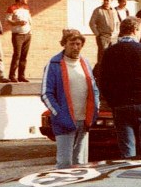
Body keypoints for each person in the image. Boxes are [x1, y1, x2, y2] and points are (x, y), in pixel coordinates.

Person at [99, 16, 141, 157]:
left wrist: (113, 102)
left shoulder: (109, 52)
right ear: (135, 30)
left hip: (120, 105)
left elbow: (103, 82)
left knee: (127, 149)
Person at [41, 29, 99, 169]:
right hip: (64, 121)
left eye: (78, 44)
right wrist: (59, 114)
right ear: (64, 44)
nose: (76, 47)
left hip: (84, 121)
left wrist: (94, 111)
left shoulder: (85, 63)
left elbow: (94, 89)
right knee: (65, 163)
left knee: (80, 163)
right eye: (72, 44)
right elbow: (46, 93)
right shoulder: (53, 64)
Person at [5, 0, 32, 82]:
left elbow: (29, 20)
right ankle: (12, 75)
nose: (27, 0)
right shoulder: (12, 8)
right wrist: (18, 23)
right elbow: (8, 20)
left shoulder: (26, 8)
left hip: (27, 34)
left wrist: (30, 31)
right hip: (17, 35)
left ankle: (21, 75)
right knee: (17, 55)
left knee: (24, 56)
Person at [89, 0, 119, 64]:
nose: (106, 2)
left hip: (113, 37)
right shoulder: (98, 10)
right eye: (105, 0)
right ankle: (100, 73)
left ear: (111, 1)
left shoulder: (114, 10)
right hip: (103, 37)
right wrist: (98, 34)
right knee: (102, 56)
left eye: (108, 0)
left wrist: (117, 32)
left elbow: (117, 22)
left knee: (113, 56)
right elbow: (91, 23)